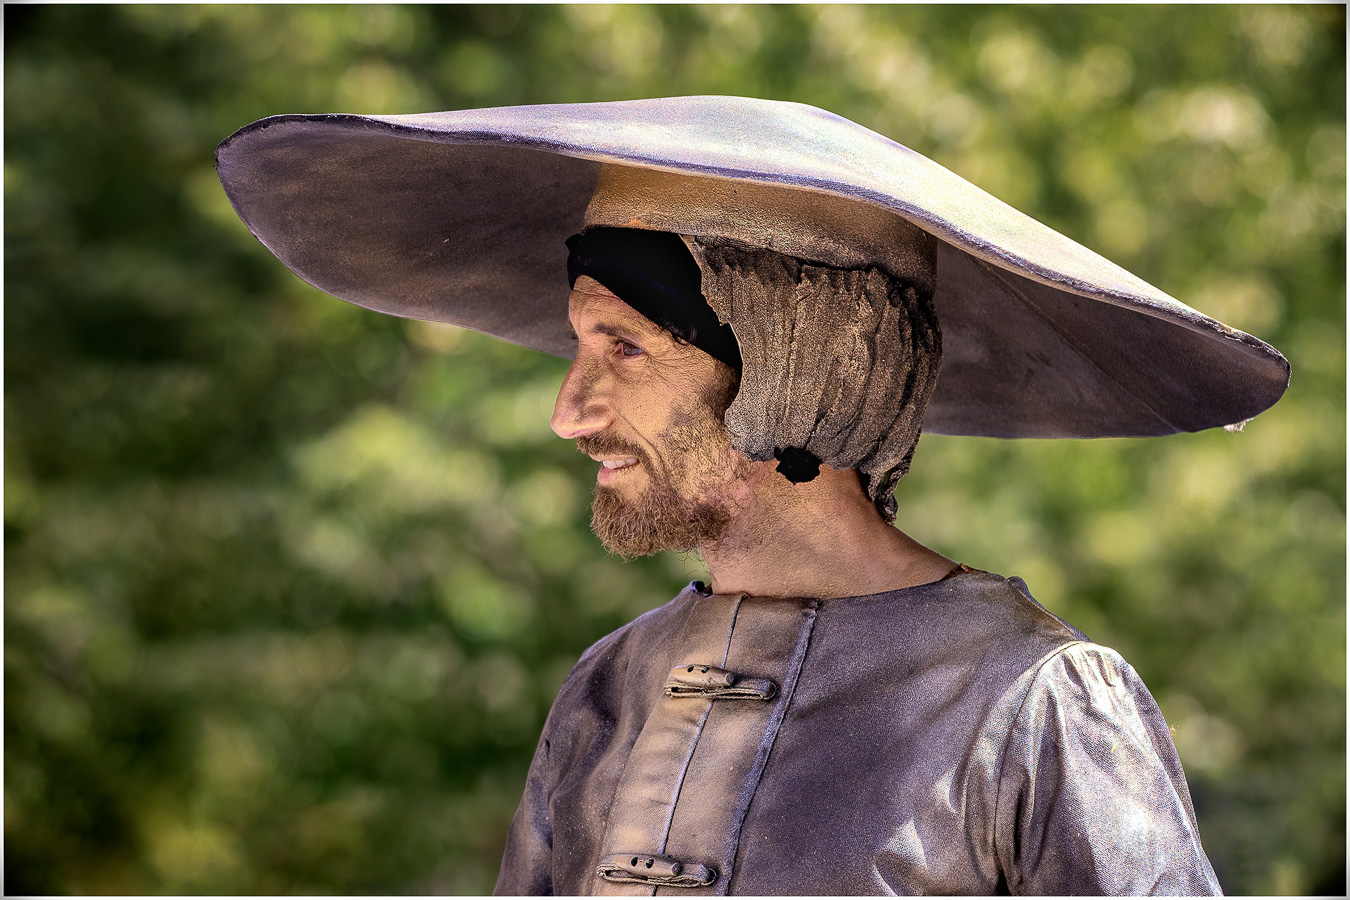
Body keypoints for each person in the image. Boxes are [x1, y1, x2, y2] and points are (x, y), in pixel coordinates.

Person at [217, 96, 1289, 895]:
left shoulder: (1038, 702)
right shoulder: (612, 687)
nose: (569, 410)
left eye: (623, 348)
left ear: (791, 361)